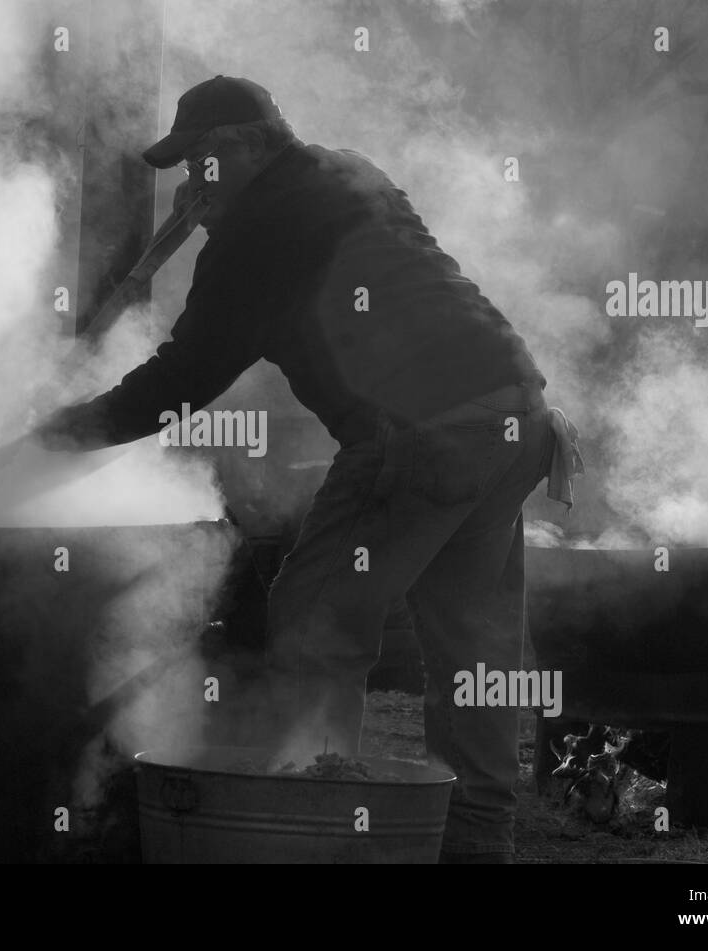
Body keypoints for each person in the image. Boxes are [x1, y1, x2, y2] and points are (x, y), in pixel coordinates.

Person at [32, 76, 564, 863]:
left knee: (315, 619)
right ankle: (477, 840)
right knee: (471, 648)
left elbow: (179, 382)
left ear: (248, 145)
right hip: (517, 419)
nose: (192, 184)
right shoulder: (348, 172)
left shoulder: (256, 232)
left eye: (204, 162)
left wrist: (49, 443)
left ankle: (324, 830)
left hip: (419, 436)